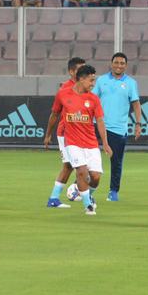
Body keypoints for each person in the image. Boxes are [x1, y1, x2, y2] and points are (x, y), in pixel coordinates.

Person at [51, 64, 112, 215]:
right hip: (72, 142)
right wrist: (48, 134)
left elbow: (100, 121)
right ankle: (88, 206)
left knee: (95, 177)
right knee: (82, 171)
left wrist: (105, 143)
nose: (93, 84)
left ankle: (86, 194)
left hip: (91, 143)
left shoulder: (94, 99)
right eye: (91, 80)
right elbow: (54, 114)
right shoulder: (63, 94)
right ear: (81, 79)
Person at [93, 53, 141, 202]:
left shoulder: (131, 83)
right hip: (97, 125)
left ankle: (113, 191)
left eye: (122, 63)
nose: (119, 65)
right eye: (116, 62)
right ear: (111, 63)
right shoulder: (101, 80)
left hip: (118, 129)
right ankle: (81, 188)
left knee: (116, 162)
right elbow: (92, 100)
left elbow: (136, 104)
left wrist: (138, 124)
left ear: (126, 66)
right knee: (88, 158)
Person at [43, 56, 87, 208]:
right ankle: (57, 197)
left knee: (81, 166)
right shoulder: (65, 90)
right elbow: (55, 114)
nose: (83, 72)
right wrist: (48, 135)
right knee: (70, 166)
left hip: (82, 133)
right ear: (71, 72)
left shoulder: (87, 88)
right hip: (66, 134)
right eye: (80, 69)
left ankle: (69, 193)